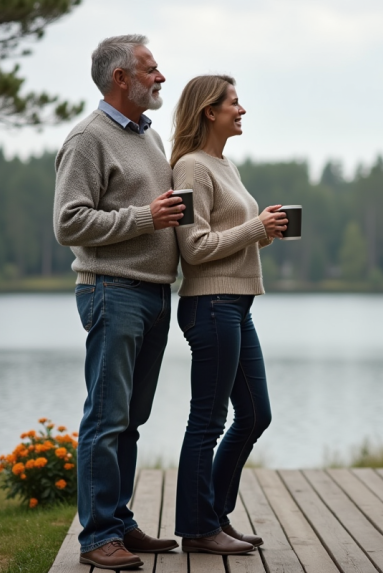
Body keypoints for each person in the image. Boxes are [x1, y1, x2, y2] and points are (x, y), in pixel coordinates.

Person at [53, 34, 186, 570]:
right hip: (111, 291)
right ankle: (96, 537)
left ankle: (119, 521)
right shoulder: (89, 139)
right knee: (105, 420)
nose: (161, 77)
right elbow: (68, 222)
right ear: (120, 79)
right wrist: (145, 218)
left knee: (131, 419)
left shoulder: (149, 137)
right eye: (151, 69)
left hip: (154, 294)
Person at [170, 75, 287, 555]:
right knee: (208, 420)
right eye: (234, 104)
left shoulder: (225, 165)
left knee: (257, 414)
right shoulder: (190, 169)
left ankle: (214, 515)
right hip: (210, 304)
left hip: (236, 305)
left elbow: (228, 235)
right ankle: (199, 528)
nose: (242, 111)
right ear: (208, 112)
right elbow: (194, 249)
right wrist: (254, 227)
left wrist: (262, 231)